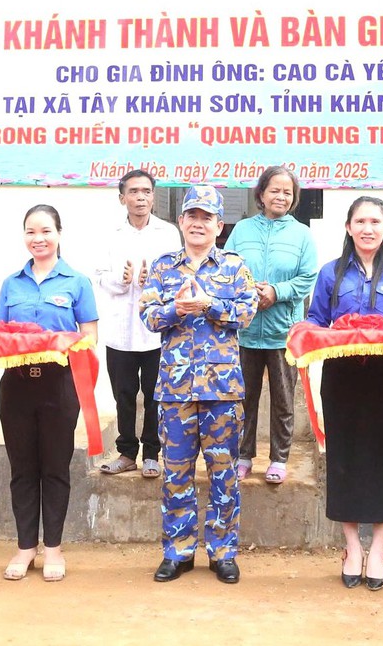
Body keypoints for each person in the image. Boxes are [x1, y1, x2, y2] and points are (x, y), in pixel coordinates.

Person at [305, 196, 383, 591]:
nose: (368, 228)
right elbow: (315, 321)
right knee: (345, 459)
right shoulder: (329, 273)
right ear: (348, 227)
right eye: (360, 221)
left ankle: (378, 550)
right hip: (341, 377)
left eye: (375, 221)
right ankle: (352, 547)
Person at [140, 186, 256, 584]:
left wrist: (210, 305)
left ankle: (223, 552)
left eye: (207, 217)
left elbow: (246, 312)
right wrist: (176, 308)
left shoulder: (235, 267)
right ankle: (179, 551)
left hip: (222, 391)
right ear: (181, 221)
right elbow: (149, 316)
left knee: (223, 473)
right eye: (192, 215)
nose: (198, 223)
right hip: (175, 388)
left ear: (219, 225)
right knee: (176, 473)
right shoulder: (162, 267)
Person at [0, 205, 98, 582]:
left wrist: (59, 344)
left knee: (54, 468)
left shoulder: (77, 282)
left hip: (59, 384)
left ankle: (53, 547)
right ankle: (25, 547)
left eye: (45, 231)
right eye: (30, 232)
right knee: (22, 469)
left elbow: (90, 337)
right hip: (16, 386)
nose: (38, 238)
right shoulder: (12, 283)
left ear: (59, 233)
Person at [224, 166, 317, 484]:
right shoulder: (242, 230)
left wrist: (277, 292)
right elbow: (228, 268)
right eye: (274, 190)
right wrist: (250, 294)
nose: (281, 196)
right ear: (261, 194)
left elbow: (307, 278)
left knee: (283, 399)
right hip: (246, 330)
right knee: (243, 398)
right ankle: (244, 455)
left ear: (294, 199)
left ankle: (279, 458)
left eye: (287, 192)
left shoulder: (302, 234)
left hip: (282, 332)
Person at [94, 169, 180, 478]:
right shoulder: (111, 234)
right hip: (119, 331)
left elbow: (176, 278)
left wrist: (151, 282)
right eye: (133, 191)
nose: (140, 197)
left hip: (156, 332)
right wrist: (123, 279)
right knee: (124, 394)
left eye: (146, 191)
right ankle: (126, 451)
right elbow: (100, 276)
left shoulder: (168, 233)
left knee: (155, 394)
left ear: (153, 197)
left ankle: (152, 454)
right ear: (122, 198)